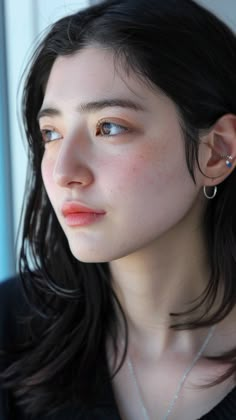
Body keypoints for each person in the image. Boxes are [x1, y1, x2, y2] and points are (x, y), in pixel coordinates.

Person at [0, 0, 236, 418]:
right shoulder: (9, 329)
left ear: (217, 152)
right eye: (51, 133)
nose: (63, 171)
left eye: (108, 127)